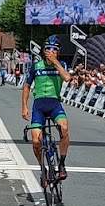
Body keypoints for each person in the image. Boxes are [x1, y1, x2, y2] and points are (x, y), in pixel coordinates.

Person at [22, 35, 72, 180]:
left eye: (54, 50)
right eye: (48, 49)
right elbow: (26, 87)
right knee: (36, 141)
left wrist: (56, 62)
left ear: (58, 52)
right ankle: (42, 168)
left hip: (54, 104)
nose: (51, 51)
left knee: (64, 128)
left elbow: (67, 78)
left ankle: (61, 164)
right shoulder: (36, 66)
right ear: (44, 51)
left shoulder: (61, 64)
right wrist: (24, 107)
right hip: (39, 106)